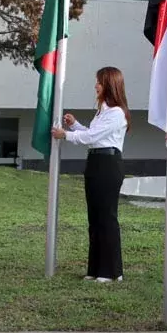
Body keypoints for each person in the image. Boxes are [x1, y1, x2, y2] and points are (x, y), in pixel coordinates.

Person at [51, 66, 130, 283]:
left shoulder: (116, 113)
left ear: (109, 85)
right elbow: (91, 134)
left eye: (100, 82)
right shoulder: (103, 111)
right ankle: (95, 269)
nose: (96, 85)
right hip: (96, 162)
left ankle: (111, 271)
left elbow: (92, 137)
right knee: (94, 218)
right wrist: (75, 125)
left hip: (108, 164)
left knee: (106, 217)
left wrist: (65, 135)